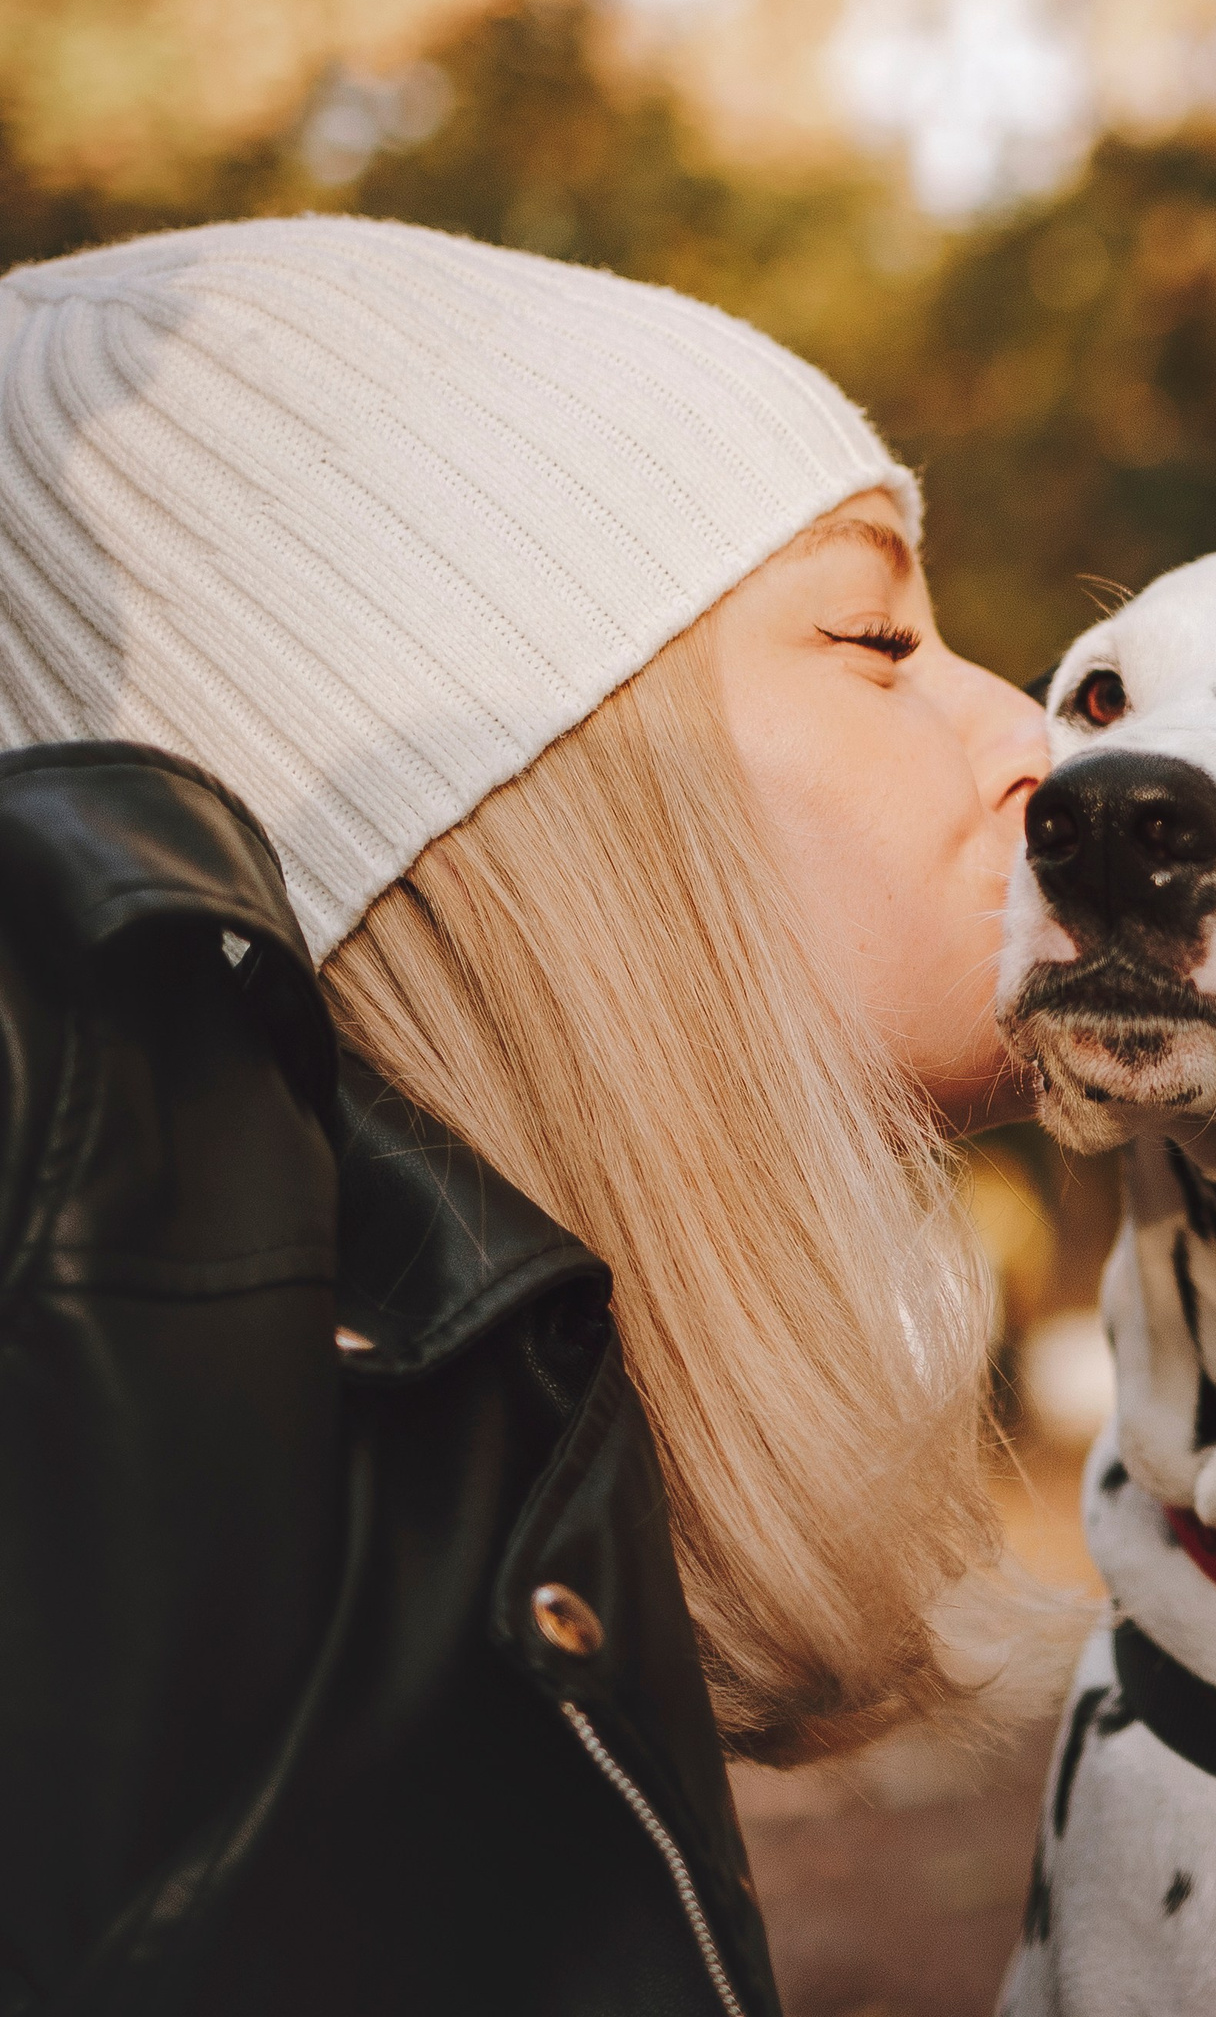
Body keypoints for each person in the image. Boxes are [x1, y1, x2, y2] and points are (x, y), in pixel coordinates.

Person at [0, 217, 1048, 2014]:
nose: (1031, 731)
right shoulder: (189, 1697)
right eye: (877, 635)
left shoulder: (388, 1551)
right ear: (522, 799)